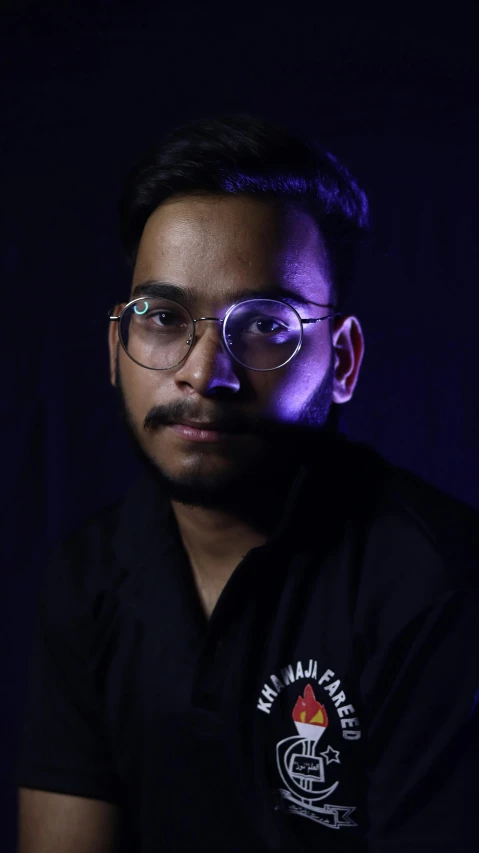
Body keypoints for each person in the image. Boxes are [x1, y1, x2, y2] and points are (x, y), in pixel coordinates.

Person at [16, 114, 479, 853]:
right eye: (163, 317)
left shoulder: (437, 585)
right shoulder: (89, 574)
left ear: (344, 360)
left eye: (264, 323)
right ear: (116, 347)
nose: (204, 371)